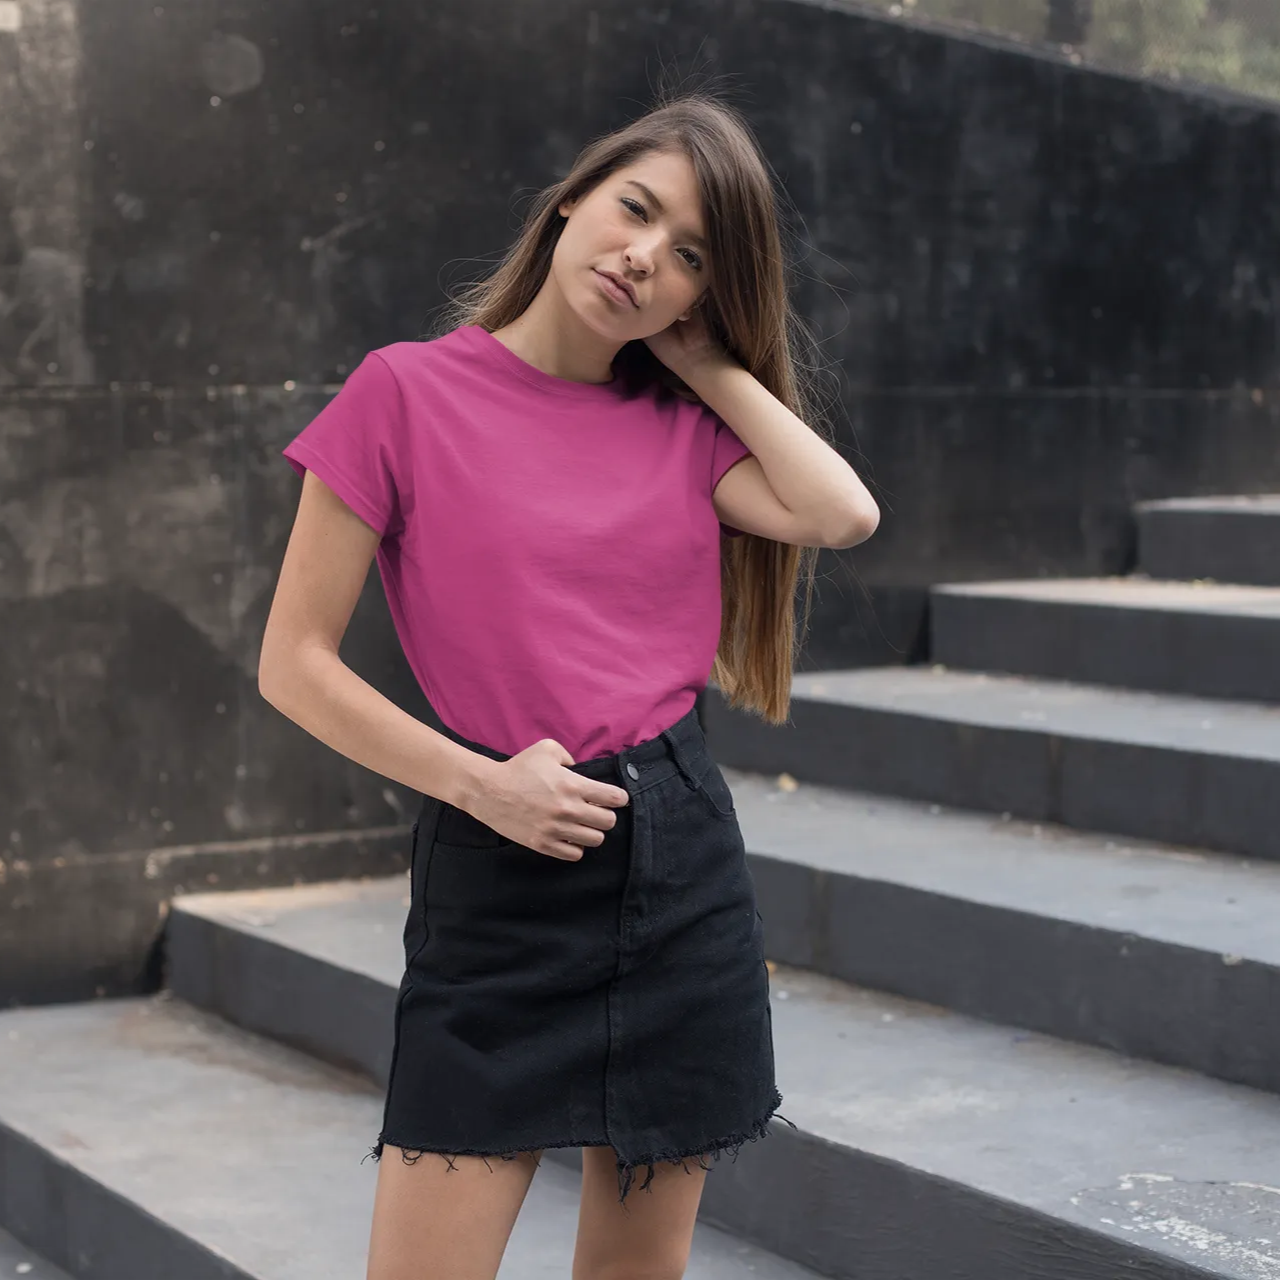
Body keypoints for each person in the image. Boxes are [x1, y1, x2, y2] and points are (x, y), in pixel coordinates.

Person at [259, 84, 879, 1280]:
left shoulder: (682, 423)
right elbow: (294, 661)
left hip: (678, 869)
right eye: (633, 209)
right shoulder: (403, 392)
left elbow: (838, 511)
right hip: (501, 871)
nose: (643, 256)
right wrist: (478, 784)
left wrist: (705, 362)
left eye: (689, 255)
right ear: (571, 203)